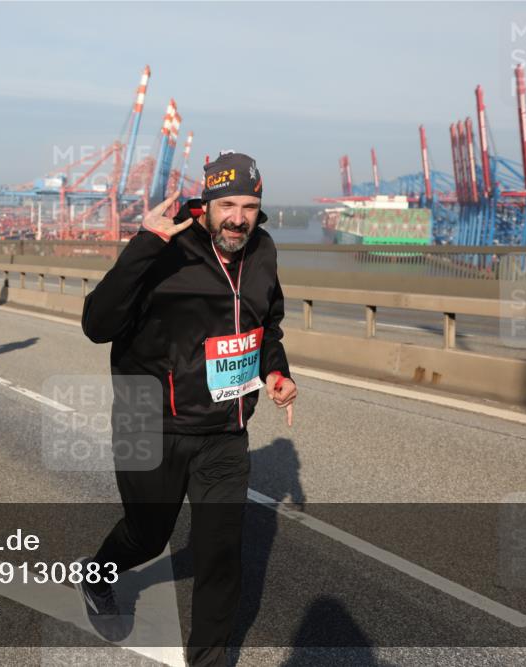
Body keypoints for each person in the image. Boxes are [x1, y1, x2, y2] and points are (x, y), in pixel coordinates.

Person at [77, 153, 298, 666]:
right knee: (147, 534)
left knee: (220, 552)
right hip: (146, 419)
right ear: (206, 203)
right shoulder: (166, 248)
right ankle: (99, 572)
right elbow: (96, 323)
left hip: (224, 430)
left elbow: (268, 328)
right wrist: (144, 244)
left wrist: (277, 372)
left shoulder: (261, 251)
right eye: (227, 205)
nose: (238, 217)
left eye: (249, 205)